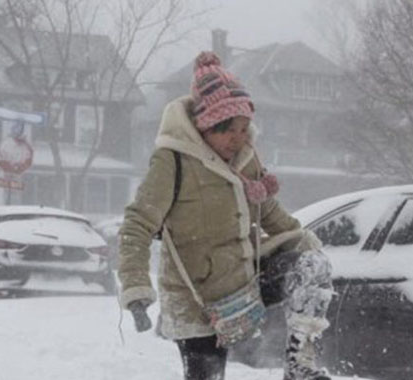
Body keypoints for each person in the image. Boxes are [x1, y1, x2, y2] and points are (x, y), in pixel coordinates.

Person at [117, 51, 333, 380]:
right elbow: (137, 225)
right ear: (206, 126)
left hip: (246, 277)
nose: (240, 138)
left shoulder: (245, 158)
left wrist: (306, 243)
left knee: (311, 263)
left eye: (245, 128)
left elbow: (268, 210)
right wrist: (136, 288)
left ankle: (299, 363)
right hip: (196, 298)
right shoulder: (172, 162)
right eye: (230, 130)